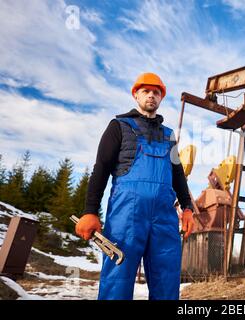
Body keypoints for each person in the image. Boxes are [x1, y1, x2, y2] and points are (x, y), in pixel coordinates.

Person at [75, 72, 194, 300]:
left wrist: (187, 207)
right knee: (117, 279)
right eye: (146, 91)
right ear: (136, 95)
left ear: (161, 98)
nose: (151, 96)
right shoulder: (118, 126)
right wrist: (90, 211)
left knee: (167, 279)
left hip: (164, 218)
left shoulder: (169, 136)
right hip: (126, 216)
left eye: (156, 92)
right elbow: (101, 167)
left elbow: (178, 175)